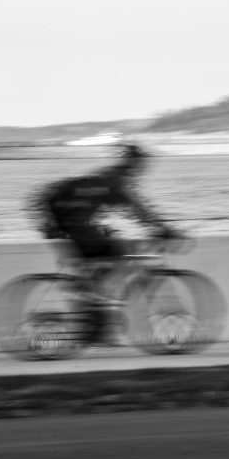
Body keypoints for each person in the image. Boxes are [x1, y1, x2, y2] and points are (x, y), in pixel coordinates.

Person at [32, 141, 180, 344]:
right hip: (71, 223)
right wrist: (165, 230)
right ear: (134, 164)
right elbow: (138, 209)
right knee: (118, 252)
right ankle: (98, 320)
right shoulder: (116, 180)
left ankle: (93, 319)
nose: (143, 169)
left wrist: (101, 228)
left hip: (62, 220)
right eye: (142, 164)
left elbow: (105, 206)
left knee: (104, 258)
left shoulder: (108, 177)